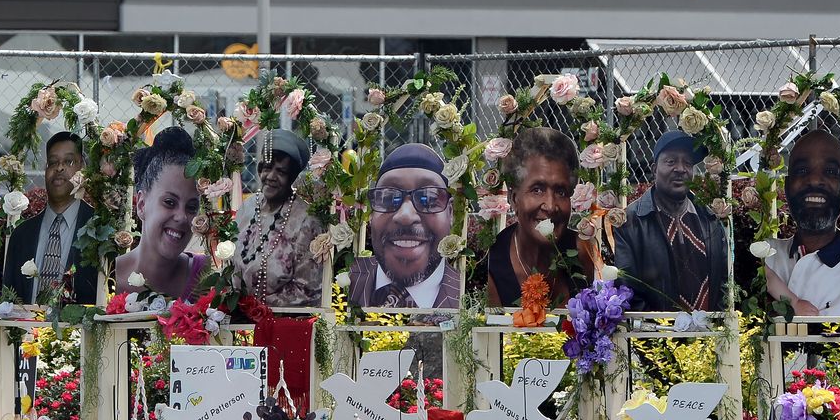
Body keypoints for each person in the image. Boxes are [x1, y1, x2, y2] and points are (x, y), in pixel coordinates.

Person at [764, 129, 840, 319]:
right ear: (786, 186)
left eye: (830, 172)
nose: (814, 180)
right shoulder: (765, 255)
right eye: (802, 170)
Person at [612, 129, 728, 314]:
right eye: (671, 161)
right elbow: (627, 287)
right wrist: (659, 332)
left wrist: (717, 328)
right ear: (654, 169)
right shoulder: (631, 222)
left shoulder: (710, 220)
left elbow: (723, 283)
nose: (680, 169)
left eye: (687, 163)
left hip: (709, 335)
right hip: (655, 337)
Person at [351, 143, 463, 311]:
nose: (406, 216)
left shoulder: (469, 293)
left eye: (429, 198)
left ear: (451, 212)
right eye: (389, 197)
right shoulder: (337, 286)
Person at [484, 127, 588, 306]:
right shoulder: (492, 262)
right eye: (537, 190)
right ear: (514, 198)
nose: (550, 206)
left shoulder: (581, 252)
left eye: (561, 192)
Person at [233, 128, 327, 308]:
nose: (271, 177)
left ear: (292, 178)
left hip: (283, 323)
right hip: (237, 318)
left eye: (281, 172)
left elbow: (307, 290)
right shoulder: (247, 208)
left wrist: (255, 308)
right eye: (267, 168)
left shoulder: (307, 220)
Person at [3, 132, 97, 304]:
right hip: (26, 330)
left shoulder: (99, 231)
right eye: (53, 162)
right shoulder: (21, 235)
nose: (59, 168)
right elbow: (8, 301)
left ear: (82, 169)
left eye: (69, 161)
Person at [115, 127, 205, 300]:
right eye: (169, 202)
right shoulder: (109, 276)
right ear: (141, 205)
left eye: (191, 207)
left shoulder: (203, 276)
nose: (181, 217)